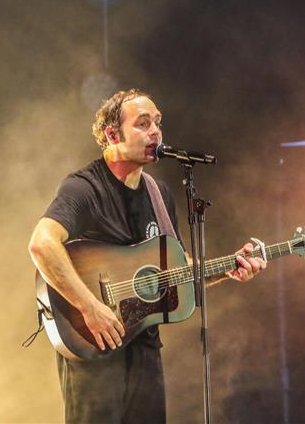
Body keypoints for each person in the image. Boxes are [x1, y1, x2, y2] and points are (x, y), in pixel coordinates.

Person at [28, 89, 267, 424]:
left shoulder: (159, 193)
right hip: (95, 345)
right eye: (143, 124)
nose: (156, 131)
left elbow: (176, 271)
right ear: (113, 135)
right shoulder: (84, 187)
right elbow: (42, 244)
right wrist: (90, 306)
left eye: (157, 122)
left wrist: (228, 267)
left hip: (144, 347)